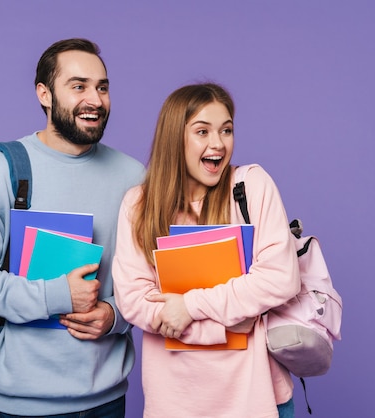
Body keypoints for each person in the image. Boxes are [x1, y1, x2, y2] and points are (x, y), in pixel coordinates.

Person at [0, 38, 145, 417]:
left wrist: (115, 316)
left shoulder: (134, 177)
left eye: (102, 87)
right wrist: (58, 295)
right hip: (22, 405)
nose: (95, 99)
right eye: (78, 86)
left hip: (108, 400)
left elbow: (147, 283)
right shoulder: (1, 170)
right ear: (44, 94)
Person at [112, 83, 301, 418]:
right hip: (176, 402)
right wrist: (227, 325)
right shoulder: (138, 205)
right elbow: (134, 301)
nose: (218, 143)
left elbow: (280, 278)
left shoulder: (250, 186)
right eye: (203, 131)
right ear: (175, 138)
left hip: (255, 398)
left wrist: (189, 305)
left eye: (226, 130)